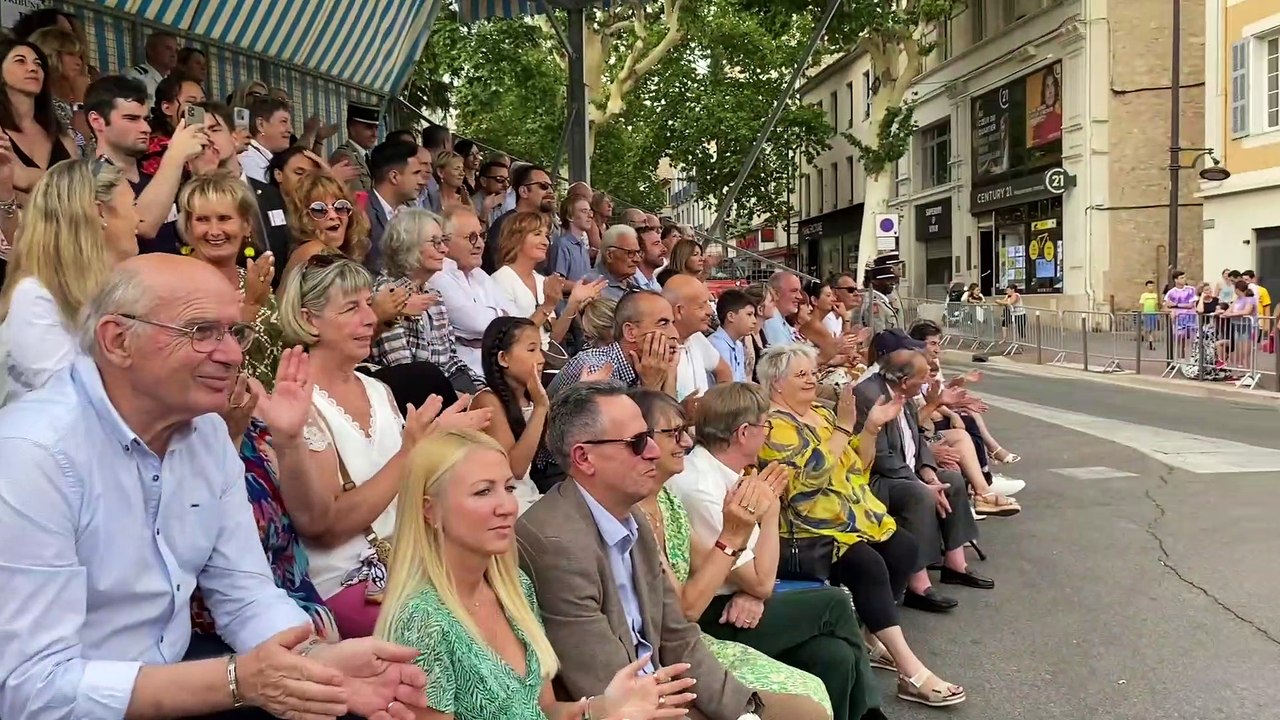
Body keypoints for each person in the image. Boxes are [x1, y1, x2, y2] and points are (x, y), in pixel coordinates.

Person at [0, 254, 434, 720]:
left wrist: (313, 663)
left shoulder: (205, 430)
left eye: (234, 332)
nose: (232, 355)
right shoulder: (32, 454)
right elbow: (32, 689)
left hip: (180, 679)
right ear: (118, 340)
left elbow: (246, 593)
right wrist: (239, 680)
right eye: (201, 332)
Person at [518, 381, 831, 720]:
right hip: (636, 708)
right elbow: (608, 685)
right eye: (637, 442)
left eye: (650, 437)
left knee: (808, 709)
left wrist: (743, 714)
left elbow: (678, 634)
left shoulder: (631, 514)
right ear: (584, 457)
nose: (654, 451)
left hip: (667, 687)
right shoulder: (557, 544)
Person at [377, 428, 691, 720]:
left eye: (509, 488)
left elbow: (544, 710)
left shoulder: (515, 588)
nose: (507, 506)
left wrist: (602, 708)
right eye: (483, 492)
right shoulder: (422, 621)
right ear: (429, 510)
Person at [652, 385, 885, 720]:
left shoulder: (731, 473)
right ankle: (872, 713)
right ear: (744, 433)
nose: (768, 434)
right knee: (833, 602)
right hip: (713, 616)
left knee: (834, 655)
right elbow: (760, 580)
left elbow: (756, 580)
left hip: (737, 599)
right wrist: (772, 510)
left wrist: (755, 591)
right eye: (766, 426)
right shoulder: (699, 487)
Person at [755, 345, 965, 708]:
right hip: (806, 529)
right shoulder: (773, 425)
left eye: (811, 372)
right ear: (776, 384)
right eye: (800, 374)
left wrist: (869, 427)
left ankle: (870, 634)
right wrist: (842, 428)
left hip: (851, 516)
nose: (811, 380)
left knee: (903, 548)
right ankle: (909, 670)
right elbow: (805, 483)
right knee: (866, 564)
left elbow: (858, 465)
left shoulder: (820, 413)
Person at [853, 347, 989, 605]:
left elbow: (917, 439)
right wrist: (920, 483)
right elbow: (882, 457)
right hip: (876, 478)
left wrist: (929, 474)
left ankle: (954, 564)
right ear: (904, 381)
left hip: (905, 468)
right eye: (924, 377)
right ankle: (917, 584)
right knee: (918, 496)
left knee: (952, 480)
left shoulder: (904, 393)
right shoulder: (872, 396)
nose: (928, 382)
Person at [0, 158, 138, 405]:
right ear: (100, 212)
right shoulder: (34, 296)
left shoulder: (117, 287)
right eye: (133, 206)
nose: (139, 219)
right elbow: (67, 397)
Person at [176, 170, 283, 388]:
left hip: (269, 411)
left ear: (246, 225)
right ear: (188, 226)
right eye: (202, 220)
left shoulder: (252, 278)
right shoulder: (177, 286)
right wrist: (250, 307)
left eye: (224, 219)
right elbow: (204, 363)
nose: (214, 231)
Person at [371, 208, 485, 394]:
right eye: (435, 242)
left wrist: (481, 390)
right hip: (412, 397)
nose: (445, 249)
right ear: (408, 244)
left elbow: (451, 361)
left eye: (443, 241)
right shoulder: (387, 294)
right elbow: (403, 370)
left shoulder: (435, 295)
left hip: (447, 388)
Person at [0, 38, 77, 193]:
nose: (33, 68)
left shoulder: (61, 134)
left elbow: (80, 186)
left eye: (38, 64)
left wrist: (26, 177)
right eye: (20, 61)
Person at [281, 170, 371, 279]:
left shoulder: (339, 251)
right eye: (319, 209)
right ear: (304, 218)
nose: (333, 215)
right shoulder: (313, 252)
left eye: (340, 207)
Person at [708, 289, 755, 382]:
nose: (754, 320)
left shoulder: (738, 345)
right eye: (749, 314)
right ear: (731, 316)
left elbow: (741, 381)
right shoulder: (717, 345)